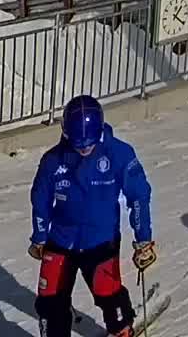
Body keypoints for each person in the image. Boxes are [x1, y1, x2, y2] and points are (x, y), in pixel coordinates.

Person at [30, 95, 156, 337]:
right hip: (61, 240)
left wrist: (143, 240)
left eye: (89, 143)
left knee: (107, 293)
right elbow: (40, 199)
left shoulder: (120, 154)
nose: (85, 149)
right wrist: (39, 237)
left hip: (100, 240)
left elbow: (138, 196)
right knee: (50, 300)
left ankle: (121, 328)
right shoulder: (52, 160)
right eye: (78, 144)